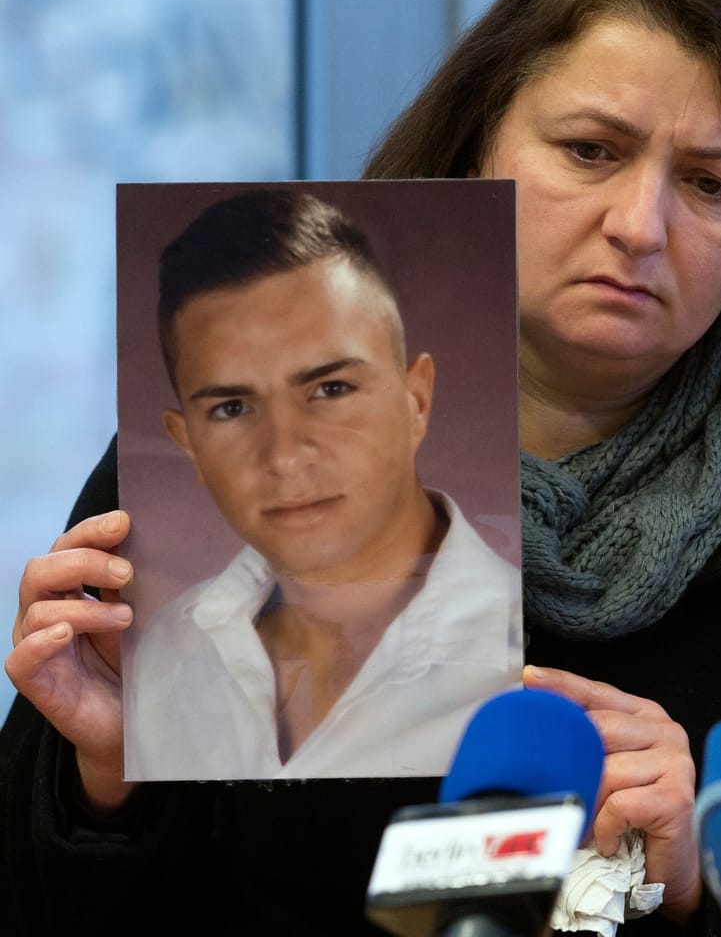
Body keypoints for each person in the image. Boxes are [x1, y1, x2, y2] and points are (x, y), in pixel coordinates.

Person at [3, 0, 721, 935]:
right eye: (590, 151)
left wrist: (705, 881)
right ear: (484, 137)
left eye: (711, 184)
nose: (640, 224)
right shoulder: (241, 434)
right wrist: (107, 780)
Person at [124, 188, 521, 781]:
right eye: (232, 408)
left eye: (330, 389)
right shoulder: (164, 657)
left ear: (416, 402)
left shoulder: (521, 652)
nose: (284, 456)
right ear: (189, 446)